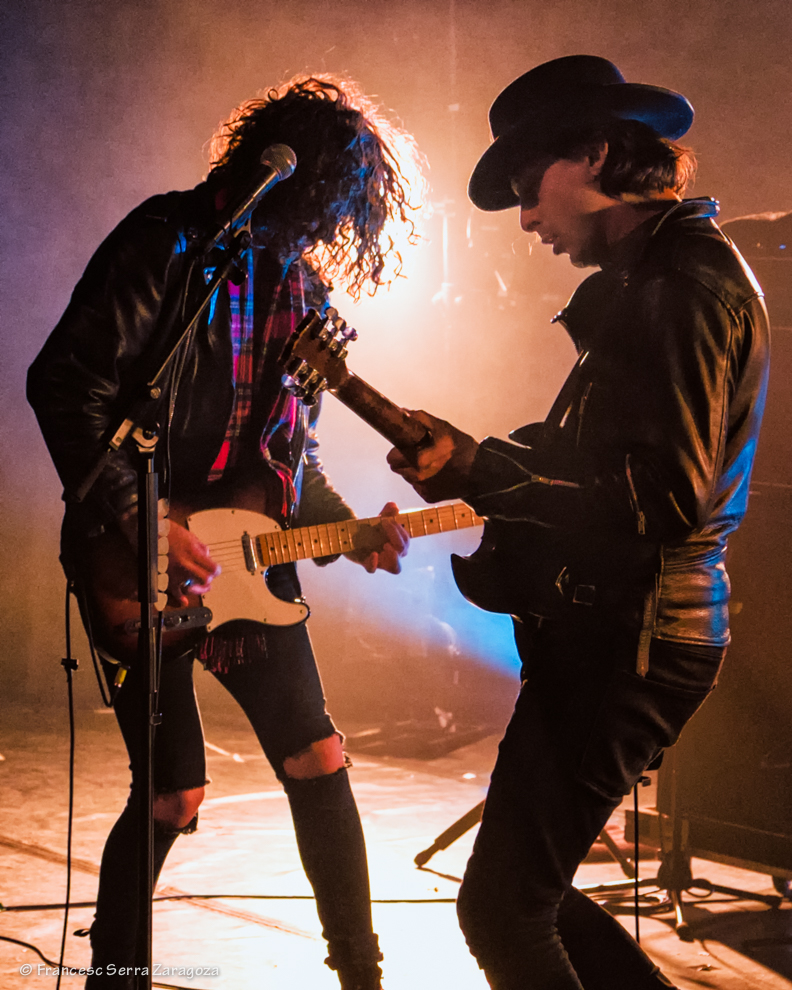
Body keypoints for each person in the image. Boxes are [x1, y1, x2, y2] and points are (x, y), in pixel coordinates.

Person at [27, 75, 421, 990]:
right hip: (136, 556)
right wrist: (145, 519)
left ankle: (362, 975)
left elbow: (293, 457)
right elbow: (66, 384)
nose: (327, 231)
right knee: (173, 793)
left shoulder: (300, 287)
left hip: (247, 558)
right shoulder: (164, 245)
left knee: (317, 755)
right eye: (328, 206)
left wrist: (346, 531)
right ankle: (114, 976)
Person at [387, 55, 769, 989]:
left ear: (596, 155)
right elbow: (602, 465)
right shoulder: (655, 279)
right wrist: (474, 461)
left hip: (635, 635)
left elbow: (657, 503)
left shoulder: (682, 287)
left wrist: (488, 475)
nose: (525, 221)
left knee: (504, 908)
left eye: (529, 190)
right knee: (531, 896)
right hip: (622, 629)